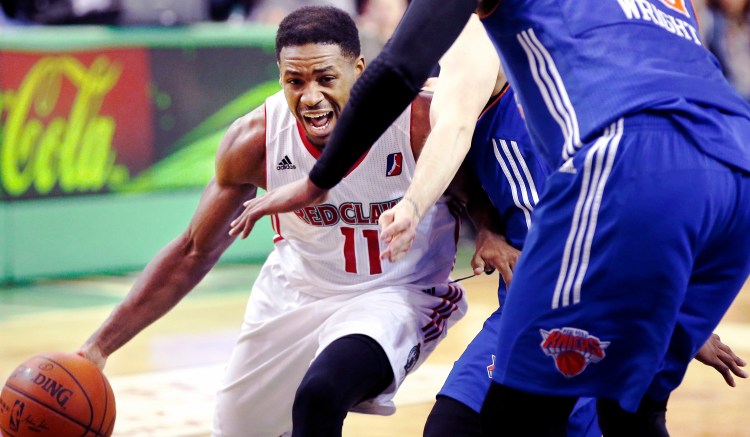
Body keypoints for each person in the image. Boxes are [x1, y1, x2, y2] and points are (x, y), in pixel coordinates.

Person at [233, 0, 750, 435]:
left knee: (502, 421)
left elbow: (411, 80)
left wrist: (325, 181)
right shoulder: (649, 12)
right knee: (630, 416)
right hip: (734, 172)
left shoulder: (479, 56)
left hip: (629, 173)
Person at [76, 6, 500, 436]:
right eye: (295, 81)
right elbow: (192, 250)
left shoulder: (415, 121)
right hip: (295, 294)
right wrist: (98, 347)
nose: (310, 96)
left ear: (359, 69)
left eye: (325, 79)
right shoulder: (256, 140)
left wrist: (487, 230)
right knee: (239, 428)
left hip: (395, 293)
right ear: (279, 76)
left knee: (321, 393)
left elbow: (473, 188)